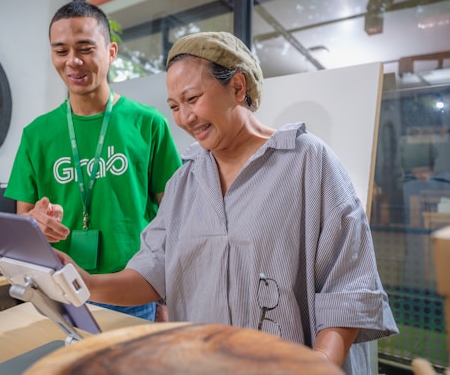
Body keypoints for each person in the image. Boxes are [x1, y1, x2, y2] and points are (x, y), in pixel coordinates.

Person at [48, 31, 398, 374]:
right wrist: (87, 283)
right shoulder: (185, 181)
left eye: (192, 98)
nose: (185, 117)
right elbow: (152, 273)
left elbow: (349, 285)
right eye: (174, 106)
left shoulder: (308, 161)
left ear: (237, 87)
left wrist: (318, 363)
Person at [4, 0, 182, 321]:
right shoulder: (37, 134)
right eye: (61, 51)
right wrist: (36, 221)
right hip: (60, 290)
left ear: (111, 51)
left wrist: (167, 296)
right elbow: (23, 219)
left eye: (85, 48)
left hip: (130, 289)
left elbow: (174, 217)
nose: (73, 61)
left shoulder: (148, 123)